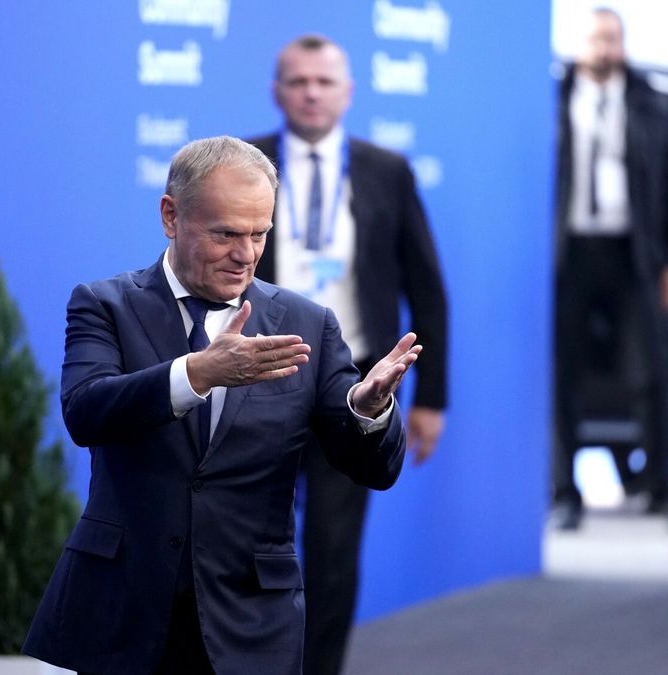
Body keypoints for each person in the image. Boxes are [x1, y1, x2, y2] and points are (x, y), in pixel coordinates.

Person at [22, 136, 419, 674]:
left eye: (259, 233)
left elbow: (373, 468)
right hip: (125, 614)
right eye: (226, 233)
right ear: (171, 216)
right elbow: (87, 411)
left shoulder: (307, 323)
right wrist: (197, 373)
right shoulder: (104, 305)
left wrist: (369, 410)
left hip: (251, 622)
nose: (246, 254)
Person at [246, 34, 448, 675]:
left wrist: (432, 399)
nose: (311, 92)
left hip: (351, 385)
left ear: (347, 92)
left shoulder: (387, 170)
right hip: (256, 379)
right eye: (298, 80)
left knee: (333, 551)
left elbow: (428, 289)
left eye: (323, 81)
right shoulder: (243, 162)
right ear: (277, 90)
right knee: (245, 542)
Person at [550, 7, 668, 530]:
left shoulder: (652, 105)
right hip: (570, 254)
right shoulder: (551, 101)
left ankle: (658, 490)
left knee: (650, 372)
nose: (605, 48)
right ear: (579, 45)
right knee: (563, 373)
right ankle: (565, 493)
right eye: (595, 39)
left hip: (634, 253)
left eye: (612, 38)